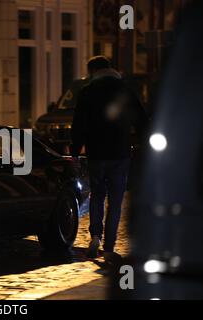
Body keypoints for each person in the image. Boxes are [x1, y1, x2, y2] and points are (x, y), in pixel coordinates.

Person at [71, 56, 148, 262]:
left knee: (97, 194)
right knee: (115, 200)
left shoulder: (87, 92)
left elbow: (79, 124)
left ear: (93, 71)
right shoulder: (124, 89)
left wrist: (75, 151)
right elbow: (141, 118)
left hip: (96, 153)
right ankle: (109, 246)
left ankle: (95, 235)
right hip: (120, 153)